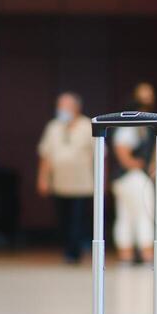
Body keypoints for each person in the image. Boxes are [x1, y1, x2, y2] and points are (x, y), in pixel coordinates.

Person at [36, 92, 93, 264]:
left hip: (82, 184)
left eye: (65, 106)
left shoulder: (88, 125)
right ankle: (69, 249)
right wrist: (43, 178)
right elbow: (45, 155)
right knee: (64, 220)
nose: (61, 110)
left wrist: (102, 181)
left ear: (76, 108)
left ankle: (74, 252)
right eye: (59, 106)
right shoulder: (53, 127)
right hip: (60, 184)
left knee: (78, 219)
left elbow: (101, 155)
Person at [112, 82, 156, 264]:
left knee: (126, 215)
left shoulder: (148, 126)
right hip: (131, 177)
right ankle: (146, 253)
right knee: (144, 213)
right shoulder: (129, 125)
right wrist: (138, 165)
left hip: (132, 177)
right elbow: (122, 152)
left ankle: (126, 254)